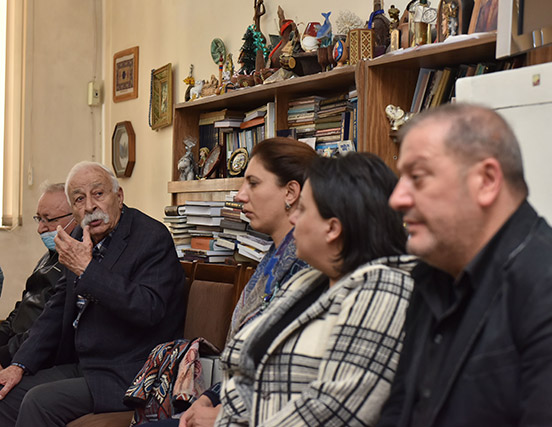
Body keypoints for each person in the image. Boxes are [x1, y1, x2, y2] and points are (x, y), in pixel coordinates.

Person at [378, 103, 552, 426]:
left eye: (417, 177)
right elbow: (399, 411)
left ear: (487, 181)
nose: (397, 199)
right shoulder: (432, 277)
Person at [215, 152, 415, 426]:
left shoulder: (385, 289)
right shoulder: (308, 280)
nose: (293, 219)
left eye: (303, 209)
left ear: (332, 228)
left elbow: (333, 410)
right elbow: (242, 367)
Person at [0, 161, 186, 426]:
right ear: (73, 209)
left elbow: (149, 309)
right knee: (5, 395)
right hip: (85, 366)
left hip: (131, 372)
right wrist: (18, 365)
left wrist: (87, 271)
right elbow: (55, 310)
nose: (89, 206)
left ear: (118, 196)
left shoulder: (151, 236)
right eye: (79, 199)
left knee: (37, 401)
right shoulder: (79, 236)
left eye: (98, 194)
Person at [149, 137, 316, 427]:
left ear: (290, 192)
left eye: (253, 183)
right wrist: (208, 398)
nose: (239, 196)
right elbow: (240, 364)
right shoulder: (272, 257)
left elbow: (289, 379)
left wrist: (222, 414)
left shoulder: (307, 268)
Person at [0, 183, 77, 368]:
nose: (40, 229)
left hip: (32, 354)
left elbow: (47, 330)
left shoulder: (76, 265)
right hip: (14, 343)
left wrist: (4, 356)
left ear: (76, 217)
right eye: (39, 219)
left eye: (48, 220)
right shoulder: (50, 255)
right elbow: (21, 309)